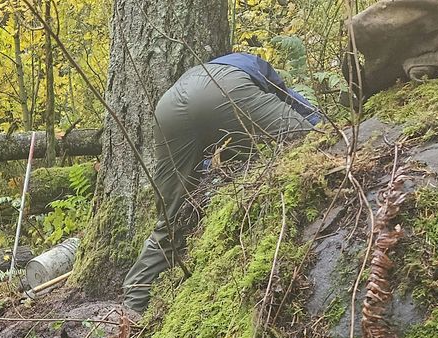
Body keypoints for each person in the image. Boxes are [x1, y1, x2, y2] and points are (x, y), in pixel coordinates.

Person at [122, 53, 323, 313]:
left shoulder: (211, 66)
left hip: (168, 105)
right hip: (223, 90)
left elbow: (215, 158)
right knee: (308, 143)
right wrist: (325, 129)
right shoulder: (258, 67)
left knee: (169, 221)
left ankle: (129, 312)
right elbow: (297, 106)